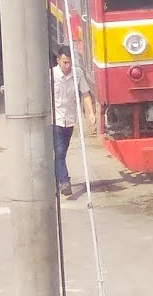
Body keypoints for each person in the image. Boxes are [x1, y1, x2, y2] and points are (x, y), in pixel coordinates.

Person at [52, 45, 96, 197]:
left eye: (70, 62)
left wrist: (90, 113)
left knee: (62, 152)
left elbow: (85, 94)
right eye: (65, 62)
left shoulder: (78, 73)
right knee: (59, 152)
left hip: (70, 119)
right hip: (56, 119)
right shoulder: (51, 75)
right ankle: (64, 182)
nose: (68, 66)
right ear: (58, 60)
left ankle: (58, 177)